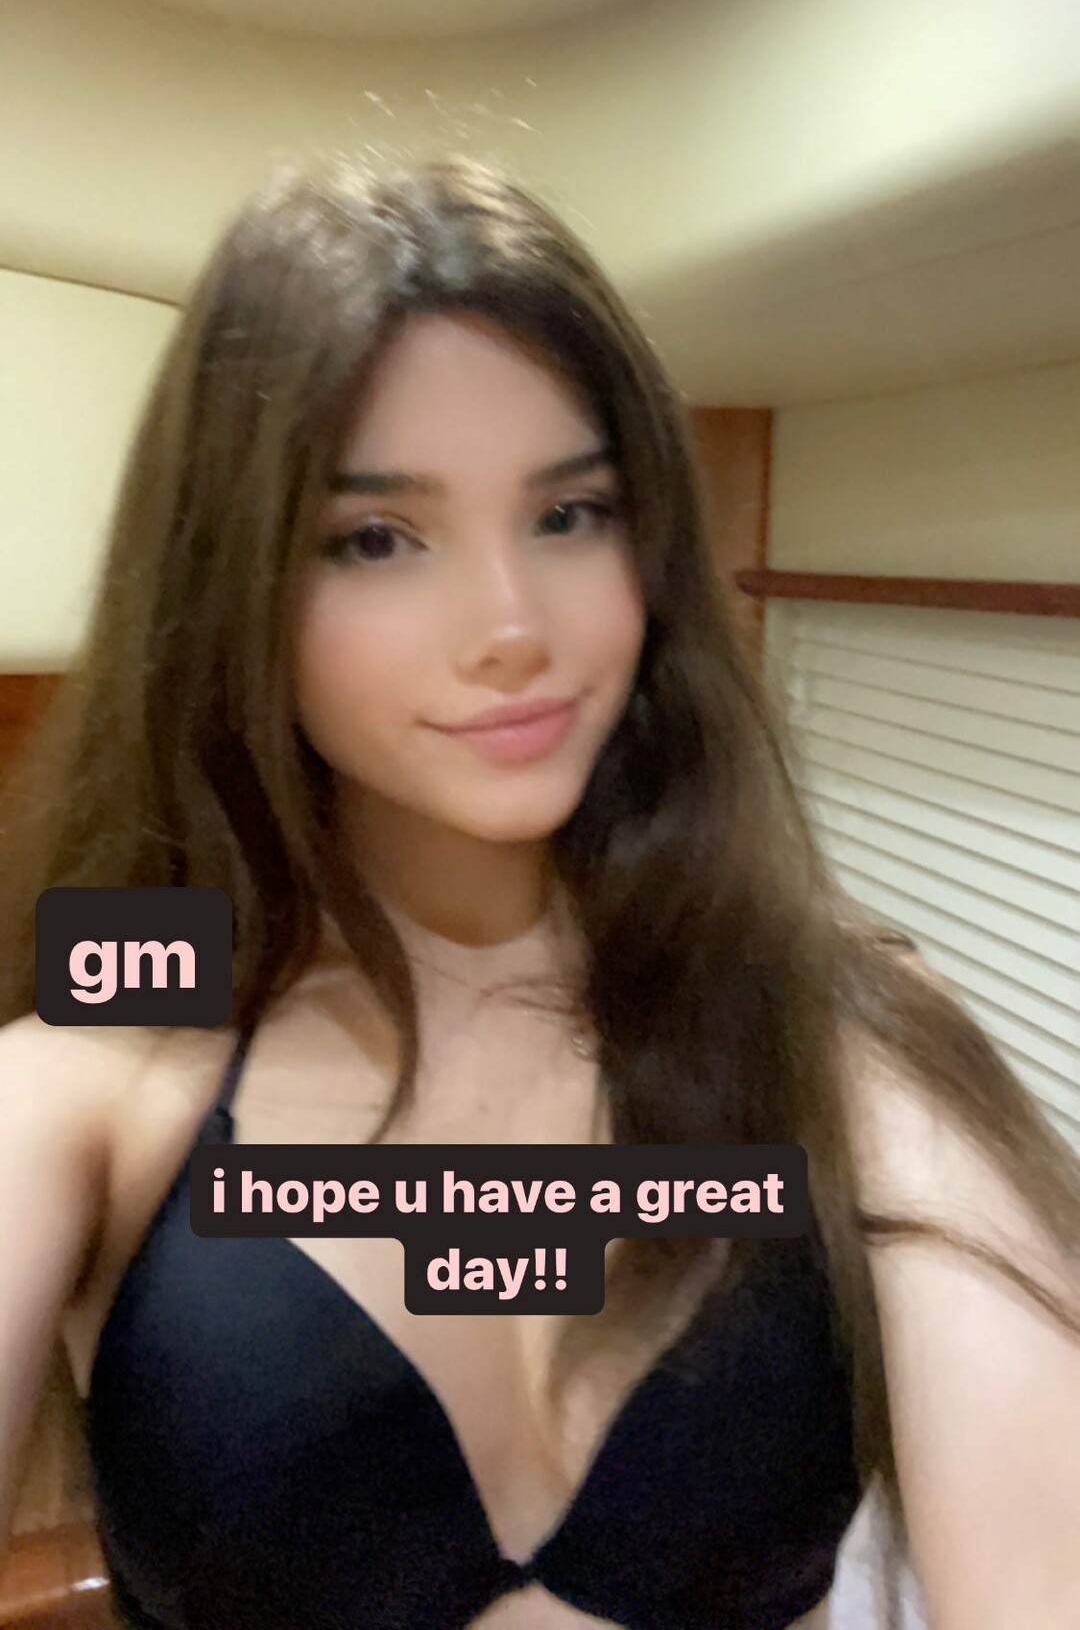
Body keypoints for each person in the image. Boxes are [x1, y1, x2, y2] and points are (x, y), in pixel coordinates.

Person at [0, 151, 1077, 1630]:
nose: (513, 626)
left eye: (570, 514)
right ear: (233, 587)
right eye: (376, 538)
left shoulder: (843, 1023)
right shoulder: (94, 1065)